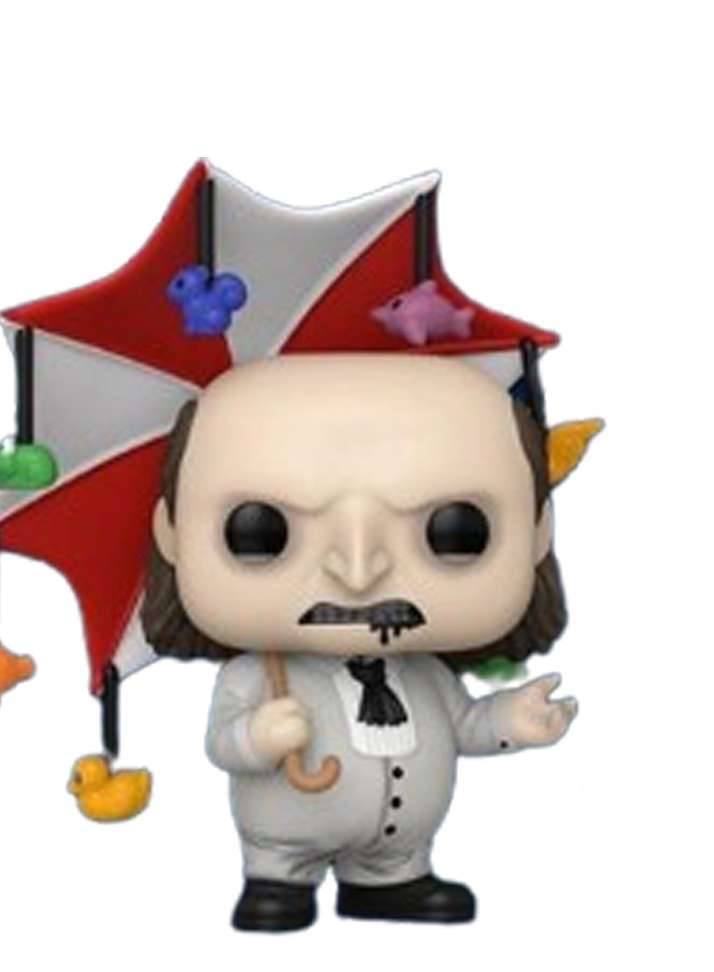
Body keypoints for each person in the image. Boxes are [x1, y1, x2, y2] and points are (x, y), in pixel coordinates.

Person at [141, 351, 599, 932]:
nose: (358, 574)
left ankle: (390, 881)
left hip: (403, 845)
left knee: (396, 869)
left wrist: (508, 721)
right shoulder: (253, 676)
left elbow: (464, 727)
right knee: (279, 871)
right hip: (283, 837)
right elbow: (221, 745)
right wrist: (255, 738)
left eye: (455, 530)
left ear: (538, 532)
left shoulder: (426, 674)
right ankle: (279, 880)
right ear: (172, 535)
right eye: (262, 531)